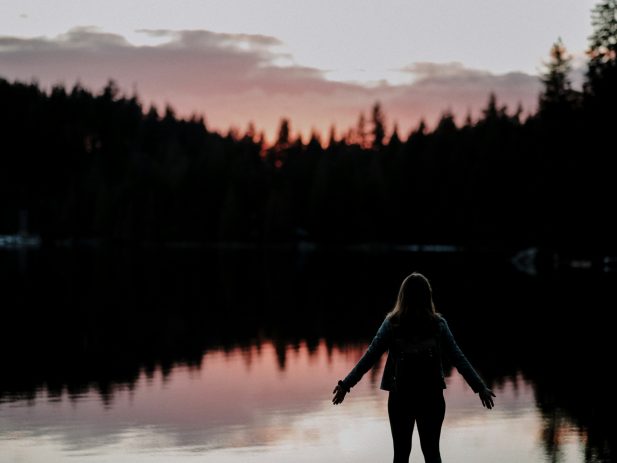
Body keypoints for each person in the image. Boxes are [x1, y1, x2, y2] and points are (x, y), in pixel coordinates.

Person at [332, 272, 495, 463]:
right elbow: (458, 358)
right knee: (432, 454)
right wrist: (480, 387)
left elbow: (370, 357)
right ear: (428, 296)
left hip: (401, 398)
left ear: (402, 296)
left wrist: (345, 385)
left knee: (401, 455)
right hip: (431, 397)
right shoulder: (438, 325)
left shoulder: (392, 324)